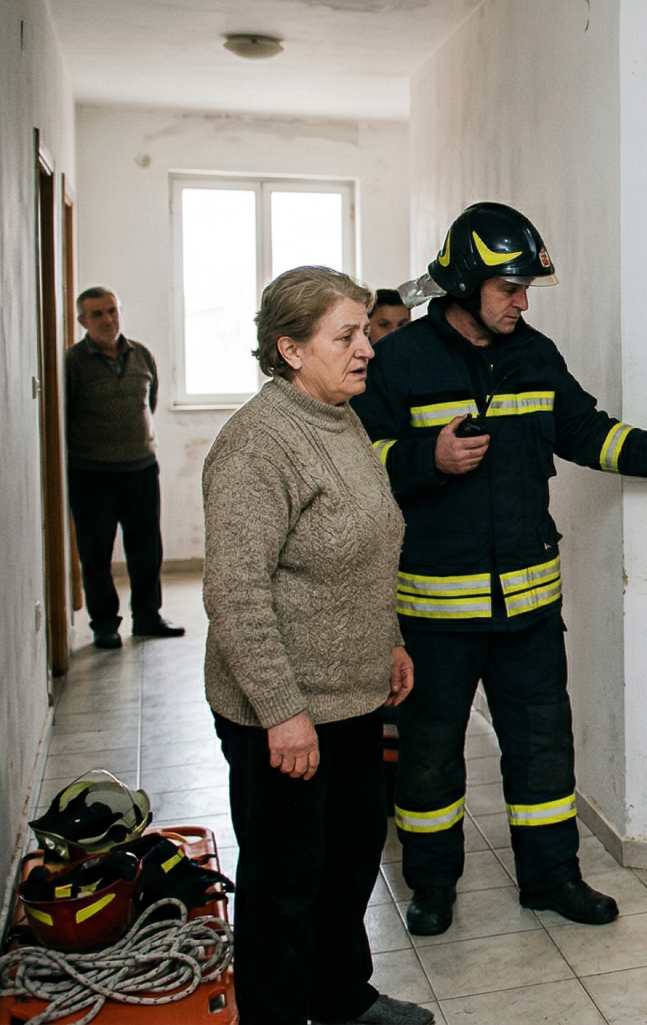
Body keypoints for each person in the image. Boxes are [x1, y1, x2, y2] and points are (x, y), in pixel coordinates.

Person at [353, 202, 647, 936]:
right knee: (428, 762)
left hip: (529, 611)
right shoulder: (399, 362)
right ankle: (432, 887)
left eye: (526, 289)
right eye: (509, 287)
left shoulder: (534, 354)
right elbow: (361, 463)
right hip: (434, 615)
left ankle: (551, 878)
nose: (521, 301)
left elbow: (581, 428)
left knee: (544, 753)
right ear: (465, 284)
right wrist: (429, 458)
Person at [202, 267, 430, 1025]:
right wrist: (282, 713)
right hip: (285, 712)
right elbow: (235, 594)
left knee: (349, 861)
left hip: (354, 696)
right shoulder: (257, 445)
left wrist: (388, 641)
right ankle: (273, 1015)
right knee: (285, 882)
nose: (368, 348)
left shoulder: (340, 418)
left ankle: (340, 997)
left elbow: (366, 547)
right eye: (348, 335)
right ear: (291, 349)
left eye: (366, 330)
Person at [64, 287, 183, 649]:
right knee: (96, 551)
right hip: (92, 474)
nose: (107, 319)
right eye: (97, 314)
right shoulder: (73, 362)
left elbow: (151, 401)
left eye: (112, 311)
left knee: (146, 547)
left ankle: (147, 616)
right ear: (82, 321)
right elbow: (64, 415)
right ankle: (104, 624)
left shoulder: (141, 355)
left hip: (141, 469)